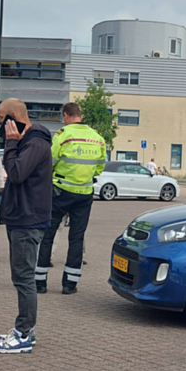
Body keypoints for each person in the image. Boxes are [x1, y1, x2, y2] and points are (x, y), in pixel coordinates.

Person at [0, 98, 53, 354]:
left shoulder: (35, 142)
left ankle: (24, 332)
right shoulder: (29, 142)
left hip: (29, 219)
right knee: (20, 276)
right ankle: (26, 330)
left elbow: (15, 173)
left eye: (1, 117)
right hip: (20, 217)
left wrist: (11, 144)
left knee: (24, 277)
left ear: (13, 117)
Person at [35, 102, 106, 295]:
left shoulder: (63, 135)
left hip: (60, 191)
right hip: (84, 194)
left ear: (66, 115)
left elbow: (51, 162)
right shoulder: (98, 138)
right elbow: (100, 167)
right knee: (76, 237)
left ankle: (40, 282)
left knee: (47, 235)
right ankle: (70, 284)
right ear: (80, 115)